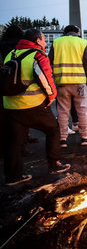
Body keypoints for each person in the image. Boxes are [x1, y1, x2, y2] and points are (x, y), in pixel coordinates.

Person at [3, 29, 70, 185]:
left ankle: (13, 177)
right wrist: (51, 98)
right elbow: (45, 79)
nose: (45, 43)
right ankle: (54, 165)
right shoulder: (37, 55)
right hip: (30, 104)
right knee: (53, 129)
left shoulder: (11, 53)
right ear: (37, 40)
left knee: (14, 140)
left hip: (10, 104)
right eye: (44, 39)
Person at [49, 25, 87, 147]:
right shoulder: (82, 42)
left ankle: (63, 139)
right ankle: (84, 137)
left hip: (62, 83)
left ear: (64, 32)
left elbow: (49, 61)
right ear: (77, 32)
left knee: (62, 111)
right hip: (79, 83)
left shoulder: (57, 42)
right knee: (83, 110)